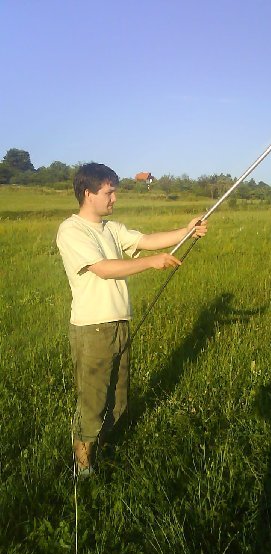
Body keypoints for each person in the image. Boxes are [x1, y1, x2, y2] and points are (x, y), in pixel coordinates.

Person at [57, 162, 207, 477]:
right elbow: (103, 268)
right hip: (92, 329)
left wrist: (187, 230)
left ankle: (107, 453)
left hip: (119, 324)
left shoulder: (111, 228)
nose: (114, 199)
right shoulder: (72, 230)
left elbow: (147, 240)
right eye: (109, 193)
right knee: (93, 401)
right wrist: (151, 263)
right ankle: (82, 470)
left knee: (118, 399)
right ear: (88, 194)